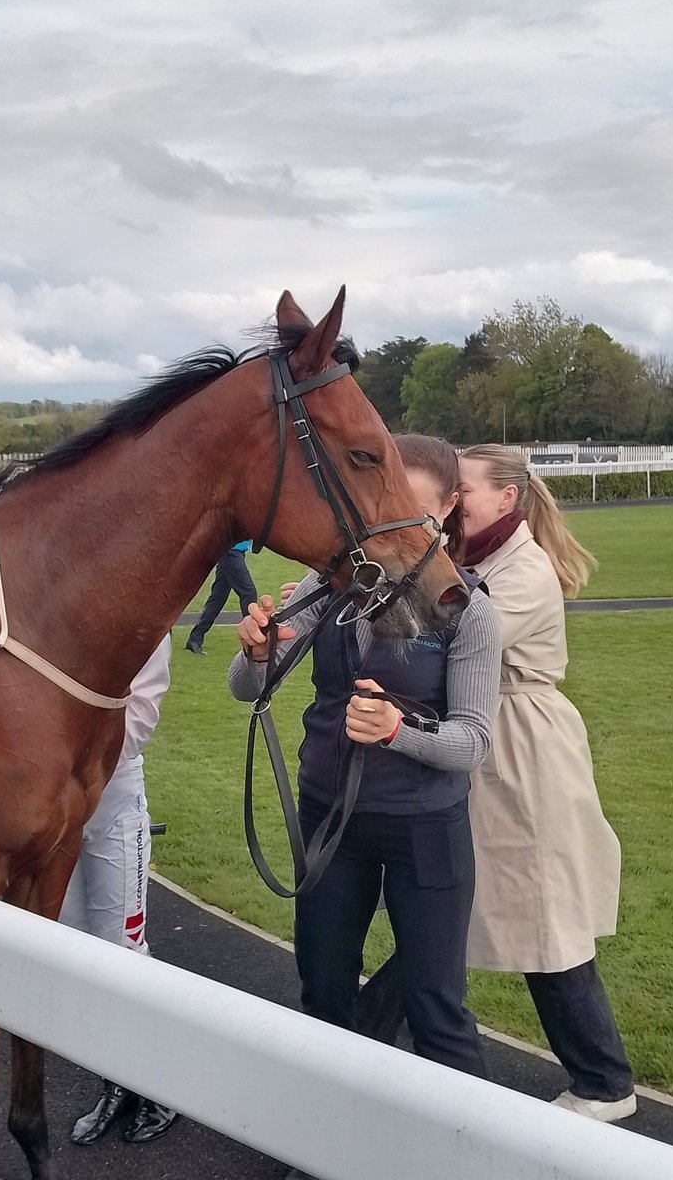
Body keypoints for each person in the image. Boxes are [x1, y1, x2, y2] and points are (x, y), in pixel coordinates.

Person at [229, 437, 501, 1178]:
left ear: (446, 510)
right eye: (382, 509)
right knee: (324, 992)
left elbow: (474, 744)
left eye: (412, 509)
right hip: (330, 824)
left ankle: (463, 1157)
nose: (392, 525)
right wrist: (255, 650)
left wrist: (399, 731)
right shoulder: (331, 586)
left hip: (425, 827)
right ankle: (327, 1144)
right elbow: (247, 690)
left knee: (437, 1006)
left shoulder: (469, 612)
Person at [452, 443, 636, 1123]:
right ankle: (377, 1048)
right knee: (437, 906)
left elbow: (460, 637)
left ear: (506, 497)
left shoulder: (521, 569)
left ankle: (604, 1083)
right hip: (487, 739)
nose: (449, 501)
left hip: (521, 753)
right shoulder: (478, 559)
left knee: (542, 917)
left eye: (461, 489)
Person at [59, 637, 179, 1146]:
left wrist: (67, 765)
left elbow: (141, 715)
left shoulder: (142, 612)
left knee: (123, 949)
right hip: (55, 798)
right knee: (72, 948)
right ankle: (116, 1081)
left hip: (111, 797)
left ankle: (160, 1088)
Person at [185, 541, 257, 654]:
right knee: (249, 593)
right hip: (230, 552)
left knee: (218, 598)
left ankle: (195, 639)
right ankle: (252, 639)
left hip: (230, 551)